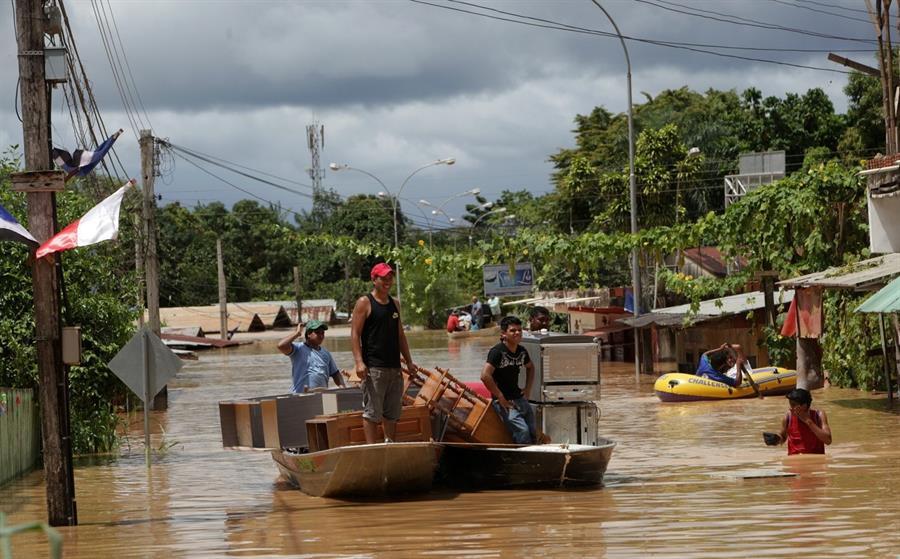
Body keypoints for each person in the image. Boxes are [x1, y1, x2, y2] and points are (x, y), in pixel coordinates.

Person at [351, 262, 418, 444]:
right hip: (374, 368)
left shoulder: (395, 304)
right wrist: (359, 362)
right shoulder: (364, 302)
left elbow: (400, 335)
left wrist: (409, 362)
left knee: (392, 413)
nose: (388, 281)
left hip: (394, 368)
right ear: (374, 279)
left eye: (390, 277)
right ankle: (372, 450)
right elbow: (355, 334)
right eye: (383, 278)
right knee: (372, 413)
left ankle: (390, 445)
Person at [480, 316, 537, 444]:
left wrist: (527, 389)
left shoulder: (522, 351)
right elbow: (485, 375)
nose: (517, 333)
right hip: (503, 401)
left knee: (533, 430)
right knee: (522, 431)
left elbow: (531, 367)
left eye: (519, 330)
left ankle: (536, 456)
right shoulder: (497, 352)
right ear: (504, 334)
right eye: (512, 330)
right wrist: (500, 397)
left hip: (519, 397)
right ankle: (522, 458)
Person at [277, 319, 346, 393]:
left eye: (322, 333)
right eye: (317, 333)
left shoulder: (326, 353)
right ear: (309, 334)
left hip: (321, 395)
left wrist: (343, 388)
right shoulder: (298, 349)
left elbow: (336, 374)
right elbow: (281, 346)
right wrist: (297, 333)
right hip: (300, 395)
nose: (321, 335)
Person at [769, 388, 832, 454]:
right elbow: (783, 436)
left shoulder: (819, 415)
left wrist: (808, 421)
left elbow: (828, 441)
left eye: (793, 405)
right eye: (790, 404)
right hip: (795, 461)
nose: (790, 408)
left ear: (804, 406)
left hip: (816, 460)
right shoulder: (788, 417)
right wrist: (777, 439)